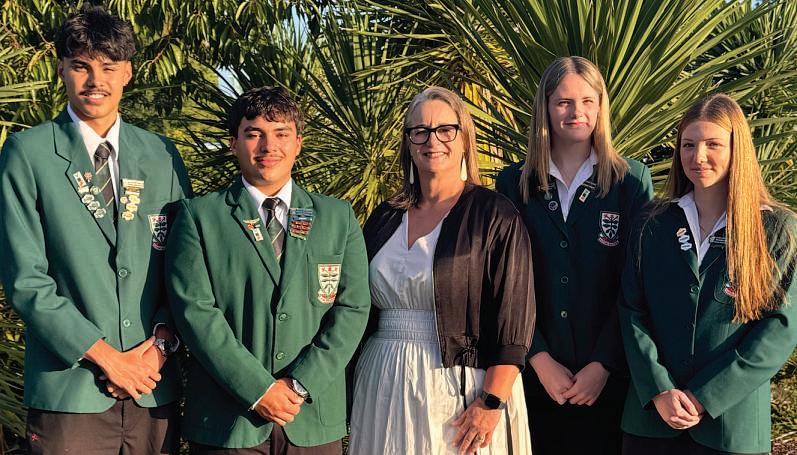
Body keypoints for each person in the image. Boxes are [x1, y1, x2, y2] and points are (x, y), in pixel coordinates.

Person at [0, 5, 191, 454]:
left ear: (128, 72)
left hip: (153, 388)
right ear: (61, 68)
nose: (95, 81)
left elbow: (186, 269)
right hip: (70, 390)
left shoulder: (162, 155)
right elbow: (25, 279)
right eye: (81, 66)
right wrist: (107, 358)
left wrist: (158, 348)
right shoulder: (28, 153)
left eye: (108, 67)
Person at [165, 86, 370, 454]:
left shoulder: (337, 217)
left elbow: (352, 308)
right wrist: (258, 389)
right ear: (233, 143)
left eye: (281, 133)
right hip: (228, 421)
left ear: (298, 143)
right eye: (254, 133)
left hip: (311, 416)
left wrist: (300, 384)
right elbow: (195, 312)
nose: (268, 146)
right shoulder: (200, 217)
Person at [348, 86, 535, 455]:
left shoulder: (494, 215)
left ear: (465, 138)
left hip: (462, 387)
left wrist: (492, 402)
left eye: (445, 130)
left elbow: (514, 321)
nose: (432, 140)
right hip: (383, 378)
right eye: (419, 131)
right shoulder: (385, 217)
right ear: (408, 143)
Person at [618, 93, 797, 455]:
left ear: (737, 149)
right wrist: (659, 389)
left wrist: (704, 396)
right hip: (652, 421)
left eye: (713, 144)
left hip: (731, 428)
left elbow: (779, 329)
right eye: (688, 145)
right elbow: (631, 310)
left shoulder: (777, 229)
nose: (698, 156)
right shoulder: (652, 222)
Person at [495, 56, 654, 455]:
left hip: (608, 383)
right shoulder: (513, 183)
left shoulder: (631, 181)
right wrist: (538, 356)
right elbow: (504, 283)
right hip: (533, 380)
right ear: (546, 108)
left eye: (587, 101)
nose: (576, 112)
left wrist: (603, 363)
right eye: (563, 102)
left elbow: (637, 283)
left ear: (600, 108)